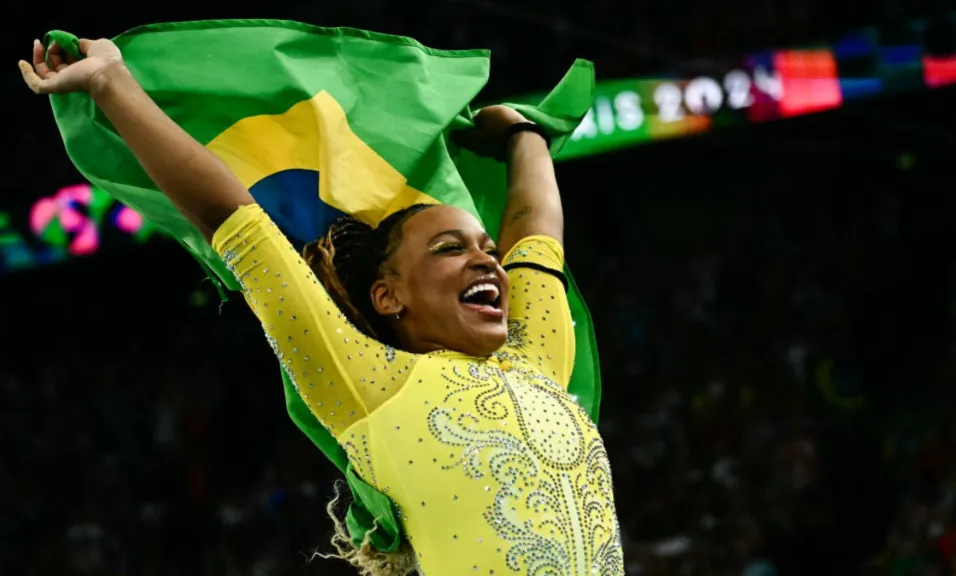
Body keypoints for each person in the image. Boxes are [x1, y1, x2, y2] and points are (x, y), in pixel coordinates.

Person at [20, 36, 623, 576]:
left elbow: (532, 231)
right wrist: (110, 83)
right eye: (449, 248)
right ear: (388, 296)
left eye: (486, 250)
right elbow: (235, 221)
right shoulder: (368, 386)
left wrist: (524, 134)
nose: (488, 260)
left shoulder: (538, 358)